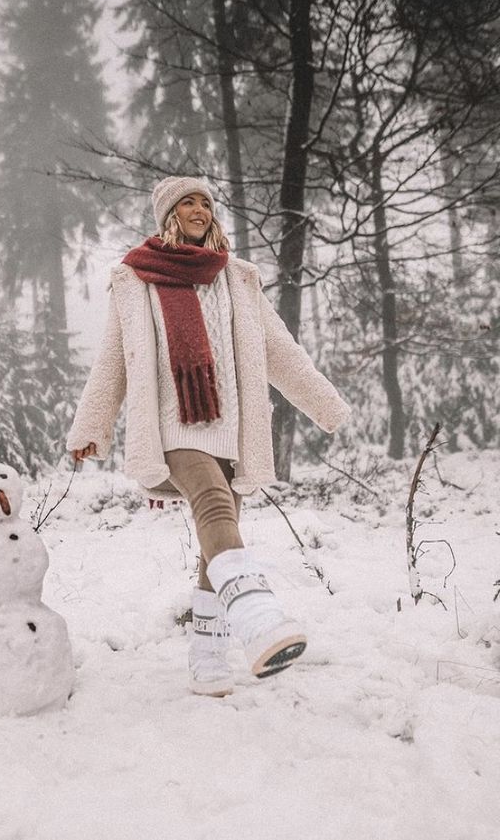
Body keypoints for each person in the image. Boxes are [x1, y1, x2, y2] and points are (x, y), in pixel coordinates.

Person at [66, 176, 351, 696]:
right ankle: (259, 620)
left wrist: (324, 404)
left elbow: (280, 352)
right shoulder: (137, 278)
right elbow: (113, 361)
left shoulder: (237, 278)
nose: (199, 208)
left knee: (214, 546)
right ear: (169, 215)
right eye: (187, 202)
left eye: (205, 201)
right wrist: (92, 425)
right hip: (175, 426)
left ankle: (207, 657)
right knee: (217, 508)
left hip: (230, 428)